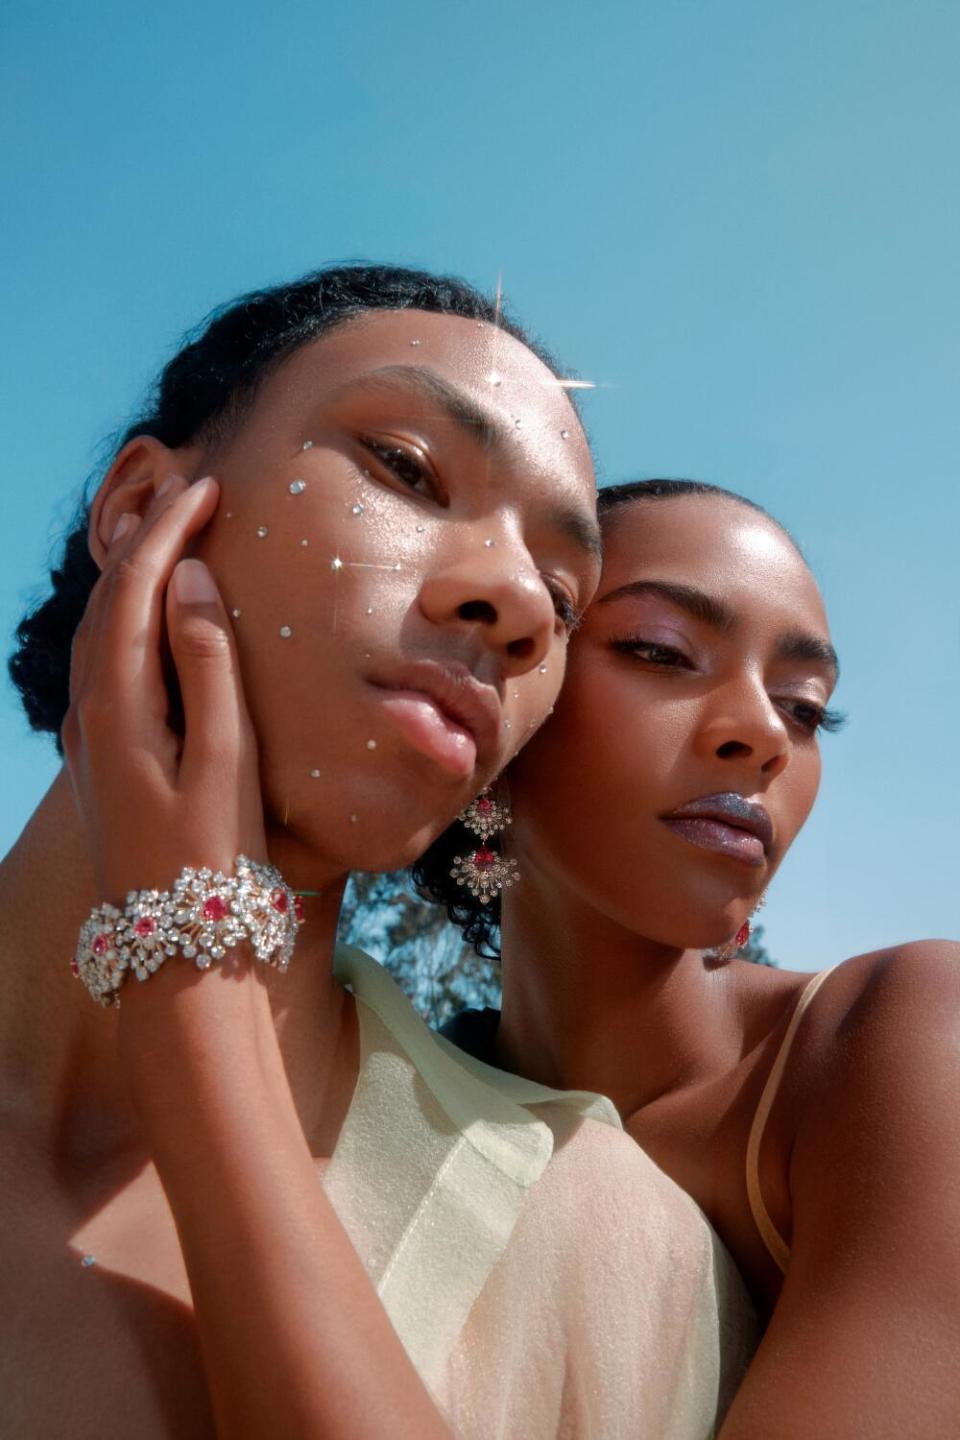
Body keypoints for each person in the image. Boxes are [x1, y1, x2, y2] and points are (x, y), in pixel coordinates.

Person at [0, 279, 755, 1439]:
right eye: (407, 467)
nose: (517, 605)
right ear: (141, 505)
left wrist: (191, 980)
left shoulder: (608, 1242)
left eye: (561, 595)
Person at [422, 478, 960, 1438]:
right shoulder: (389, 1105)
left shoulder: (898, 1041)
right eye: (661, 652)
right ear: (508, 700)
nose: (762, 737)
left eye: (805, 707)